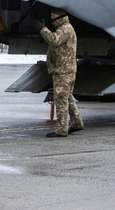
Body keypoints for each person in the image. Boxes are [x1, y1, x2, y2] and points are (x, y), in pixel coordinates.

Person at [35, 8, 84, 138]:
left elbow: (54, 40)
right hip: (65, 70)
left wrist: (42, 29)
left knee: (61, 100)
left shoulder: (65, 29)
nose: (51, 17)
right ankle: (77, 123)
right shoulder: (65, 28)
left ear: (60, 16)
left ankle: (61, 130)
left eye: (53, 15)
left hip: (63, 71)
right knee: (67, 97)